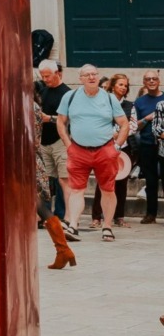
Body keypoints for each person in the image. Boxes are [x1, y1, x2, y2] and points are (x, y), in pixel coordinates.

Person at [56, 63, 130, 241]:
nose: (91, 77)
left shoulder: (109, 98)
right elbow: (60, 121)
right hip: (78, 150)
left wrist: (117, 147)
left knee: (108, 190)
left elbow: (124, 124)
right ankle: (73, 226)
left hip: (105, 150)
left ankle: (107, 227)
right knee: (76, 190)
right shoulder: (70, 96)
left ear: (98, 76)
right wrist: (68, 144)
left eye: (94, 74)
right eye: (87, 75)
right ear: (80, 78)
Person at [91, 73, 134, 230]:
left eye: (125, 85)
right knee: (102, 181)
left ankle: (119, 216)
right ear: (113, 85)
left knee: (121, 183)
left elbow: (133, 125)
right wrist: (111, 134)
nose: (123, 87)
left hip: (123, 148)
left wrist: (122, 134)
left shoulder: (130, 105)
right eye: (120, 84)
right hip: (104, 145)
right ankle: (96, 217)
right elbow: (97, 121)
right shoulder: (103, 102)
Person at [34, 59, 71, 222]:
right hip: (44, 142)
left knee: (63, 179)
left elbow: (70, 118)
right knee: (46, 180)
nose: (45, 79)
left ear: (58, 73)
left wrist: (49, 119)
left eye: (48, 76)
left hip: (60, 141)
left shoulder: (67, 93)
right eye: (42, 76)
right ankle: (47, 216)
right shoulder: (43, 90)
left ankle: (63, 216)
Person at [133, 70, 164, 224]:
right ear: (144, 82)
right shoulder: (139, 102)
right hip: (146, 144)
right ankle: (150, 214)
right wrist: (147, 118)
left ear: (159, 81)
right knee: (150, 181)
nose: (151, 81)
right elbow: (135, 127)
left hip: (163, 144)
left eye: (154, 78)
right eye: (148, 79)